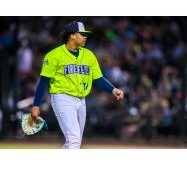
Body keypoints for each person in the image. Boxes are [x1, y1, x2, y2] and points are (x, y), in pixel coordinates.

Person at [31, 21, 124, 149]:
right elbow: (44, 82)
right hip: (62, 98)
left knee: (74, 142)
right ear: (72, 35)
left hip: (81, 100)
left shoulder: (89, 55)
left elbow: (98, 78)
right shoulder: (53, 55)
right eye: (82, 34)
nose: (85, 37)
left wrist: (113, 89)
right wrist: (36, 105)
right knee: (74, 139)